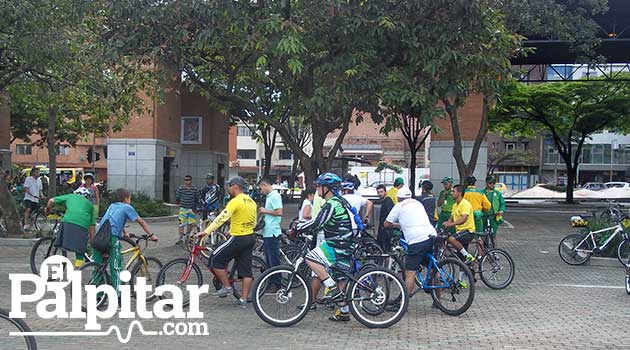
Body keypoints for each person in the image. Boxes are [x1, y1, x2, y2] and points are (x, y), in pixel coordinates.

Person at [297, 173, 356, 322]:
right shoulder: (338, 202)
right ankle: (343, 311)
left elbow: (317, 222)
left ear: (327, 188)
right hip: (346, 243)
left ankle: (331, 287)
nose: (317, 189)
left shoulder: (332, 204)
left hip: (338, 243)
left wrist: (298, 228)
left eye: (319, 186)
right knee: (340, 276)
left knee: (310, 258)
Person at [196, 176, 257, 308]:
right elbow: (253, 222)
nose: (229, 188)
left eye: (230, 186)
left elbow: (221, 218)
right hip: (250, 237)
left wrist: (206, 232)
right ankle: (243, 300)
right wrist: (235, 228)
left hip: (238, 238)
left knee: (214, 260)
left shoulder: (235, 201)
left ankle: (227, 286)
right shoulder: (251, 202)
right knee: (246, 271)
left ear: (235, 186)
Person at [96, 188, 158, 295]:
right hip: (111, 238)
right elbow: (141, 221)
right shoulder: (127, 207)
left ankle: (98, 296)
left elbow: (112, 220)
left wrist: (125, 232)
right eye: (130, 198)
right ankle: (119, 297)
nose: (130, 200)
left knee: (98, 267)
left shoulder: (112, 206)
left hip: (98, 237)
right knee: (116, 267)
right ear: (126, 198)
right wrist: (151, 235)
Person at [384, 187, 437, 294]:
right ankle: (438, 301)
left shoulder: (399, 206)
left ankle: (404, 303)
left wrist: (395, 225)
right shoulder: (418, 203)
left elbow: (386, 224)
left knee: (410, 273)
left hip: (416, 240)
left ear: (398, 198)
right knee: (434, 268)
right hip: (431, 235)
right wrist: (402, 225)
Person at [45, 187, 95, 267]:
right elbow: (92, 228)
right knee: (80, 251)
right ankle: (79, 268)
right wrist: (93, 243)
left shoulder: (71, 196)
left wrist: (47, 209)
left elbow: (51, 201)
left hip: (67, 221)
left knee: (63, 241)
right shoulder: (90, 206)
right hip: (82, 226)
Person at [258, 176, 284, 290]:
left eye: (261, 188)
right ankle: (270, 282)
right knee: (269, 260)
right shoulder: (269, 196)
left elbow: (279, 212)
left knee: (274, 261)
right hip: (267, 232)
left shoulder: (274, 196)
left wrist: (265, 210)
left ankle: (277, 284)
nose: (261, 191)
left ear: (265, 185)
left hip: (272, 232)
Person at [442, 184, 477, 264]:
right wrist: (446, 224)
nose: (451, 193)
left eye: (453, 191)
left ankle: (468, 256)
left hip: (468, 231)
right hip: (460, 232)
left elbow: (464, 219)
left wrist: (451, 224)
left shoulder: (465, 204)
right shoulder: (455, 205)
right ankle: (464, 275)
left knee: (451, 239)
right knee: (462, 261)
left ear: (459, 193)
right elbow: (451, 218)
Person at [482, 175, 506, 247]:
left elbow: (502, 203)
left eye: (493, 183)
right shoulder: (482, 193)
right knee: (483, 234)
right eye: (490, 183)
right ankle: (483, 250)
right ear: (486, 183)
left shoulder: (498, 194)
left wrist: (501, 210)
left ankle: (495, 251)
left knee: (493, 235)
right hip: (483, 216)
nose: (492, 185)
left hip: (494, 216)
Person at [175, 175, 200, 244]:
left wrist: (196, 207)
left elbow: (197, 198)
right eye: (185, 180)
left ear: (191, 181)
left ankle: (187, 237)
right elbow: (177, 197)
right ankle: (181, 238)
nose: (187, 181)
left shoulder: (195, 189)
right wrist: (178, 203)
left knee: (190, 224)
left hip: (191, 209)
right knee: (181, 224)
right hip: (183, 209)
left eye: (188, 180)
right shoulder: (181, 189)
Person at [79, 173, 100, 239]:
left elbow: (97, 197)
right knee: (84, 222)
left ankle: (92, 239)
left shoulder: (94, 188)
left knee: (92, 224)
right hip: (84, 207)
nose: (88, 180)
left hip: (93, 206)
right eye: (87, 179)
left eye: (89, 179)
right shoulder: (81, 187)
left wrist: (97, 206)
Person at [376, 184, 395, 252]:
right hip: (384, 227)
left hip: (386, 229)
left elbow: (390, 213)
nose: (380, 194)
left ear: (385, 192)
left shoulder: (388, 200)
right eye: (378, 192)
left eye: (381, 192)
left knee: (385, 248)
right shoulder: (385, 201)